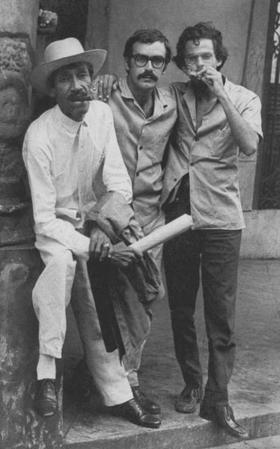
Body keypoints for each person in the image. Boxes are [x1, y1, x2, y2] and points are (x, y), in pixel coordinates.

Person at [22, 37, 160, 429]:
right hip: (56, 230)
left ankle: (117, 394)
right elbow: (45, 219)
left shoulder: (100, 115)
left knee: (102, 310)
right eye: (65, 79)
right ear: (53, 90)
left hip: (96, 222)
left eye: (83, 74)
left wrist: (101, 225)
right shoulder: (39, 136)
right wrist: (90, 246)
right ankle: (46, 372)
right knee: (64, 265)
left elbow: (119, 182)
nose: (78, 85)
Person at [162, 22, 262, 438]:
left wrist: (221, 92)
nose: (199, 64)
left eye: (206, 56)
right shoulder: (173, 96)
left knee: (220, 315)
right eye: (191, 58)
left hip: (221, 216)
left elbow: (250, 146)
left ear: (219, 59)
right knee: (181, 306)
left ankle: (217, 398)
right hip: (179, 212)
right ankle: (191, 382)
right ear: (183, 65)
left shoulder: (245, 98)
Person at [93, 29, 177, 416]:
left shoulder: (170, 103)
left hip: (151, 216)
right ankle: (127, 383)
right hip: (112, 213)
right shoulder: (105, 94)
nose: (148, 67)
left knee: (147, 296)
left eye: (157, 60)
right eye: (140, 59)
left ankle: (120, 372)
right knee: (118, 299)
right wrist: (100, 79)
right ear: (126, 61)